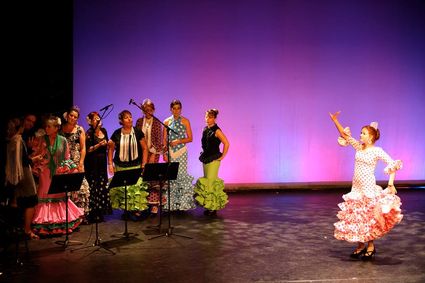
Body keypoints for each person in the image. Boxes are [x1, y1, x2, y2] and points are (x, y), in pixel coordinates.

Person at [329, 111, 403, 260]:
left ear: (370, 137)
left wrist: (390, 183)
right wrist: (335, 120)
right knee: (357, 216)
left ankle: (370, 245)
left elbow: (393, 164)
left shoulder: (377, 151)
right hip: (356, 186)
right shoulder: (359, 147)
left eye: (363, 133)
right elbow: (345, 135)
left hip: (368, 187)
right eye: (361, 133)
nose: (360, 135)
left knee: (368, 216)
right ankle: (360, 245)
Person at [31, 115, 83, 236]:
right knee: (45, 195)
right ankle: (44, 224)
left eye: (49, 126)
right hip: (45, 173)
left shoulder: (63, 140)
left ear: (56, 128)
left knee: (59, 195)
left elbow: (67, 157)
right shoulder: (41, 140)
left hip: (58, 173)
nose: (46, 128)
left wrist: (66, 168)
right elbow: (35, 156)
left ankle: (61, 223)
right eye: (46, 126)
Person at [108, 110, 149, 220]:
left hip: (135, 165)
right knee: (123, 190)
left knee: (135, 190)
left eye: (130, 117)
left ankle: (136, 211)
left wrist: (144, 164)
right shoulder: (117, 133)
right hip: (120, 166)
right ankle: (127, 211)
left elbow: (145, 149)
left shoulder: (137, 131)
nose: (130, 119)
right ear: (121, 121)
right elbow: (111, 149)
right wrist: (110, 164)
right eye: (126, 117)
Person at [5, 118, 39, 239]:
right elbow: (23, 161)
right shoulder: (18, 139)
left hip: (13, 174)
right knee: (31, 200)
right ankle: (27, 230)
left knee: (16, 201)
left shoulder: (11, 140)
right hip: (23, 173)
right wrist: (35, 159)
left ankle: (13, 228)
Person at [194, 109, 230, 216]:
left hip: (214, 158)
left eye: (210, 117)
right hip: (206, 158)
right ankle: (209, 206)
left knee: (211, 182)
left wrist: (222, 157)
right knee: (207, 182)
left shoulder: (217, 130)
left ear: (214, 118)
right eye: (206, 117)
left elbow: (226, 143)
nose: (207, 119)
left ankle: (213, 208)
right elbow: (205, 144)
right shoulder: (205, 129)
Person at [162, 99, 196, 211]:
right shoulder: (166, 122)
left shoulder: (185, 121)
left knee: (181, 176)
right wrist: (165, 153)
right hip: (171, 152)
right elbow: (164, 140)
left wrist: (178, 141)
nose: (176, 111)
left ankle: (182, 204)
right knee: (171, 178)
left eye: (178, 108)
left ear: (181, 109)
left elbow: (190, 138)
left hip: (181, 152)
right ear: (171, 109)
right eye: (174, 108)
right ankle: (172, 204)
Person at [60, 106, 91, 221]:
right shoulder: (60, 129)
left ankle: (80, 215)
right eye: (71, 115)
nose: (73, 118)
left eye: (75, 117)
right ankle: (67, 216)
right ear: (67, 116)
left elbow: (83, 148)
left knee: (80, 187)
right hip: (63, 161)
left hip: (76, 160)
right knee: (65, 188)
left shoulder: (79, 129)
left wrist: (81, 163)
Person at [135, 99, 164, 215]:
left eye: (150, 110)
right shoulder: (139, 121)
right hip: (141, 154)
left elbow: (158, 140)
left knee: (153, 179)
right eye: (145, 110)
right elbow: (136, 138)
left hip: (153, 154)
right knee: (141, 179)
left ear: (153, 110)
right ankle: (141, 204)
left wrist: (153, 154)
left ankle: (154, 205)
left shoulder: (157, 123)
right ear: (142, 110)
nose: (148, 112)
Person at [84, 111, 112, 223]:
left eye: (98, 117)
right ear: (90, 122)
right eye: (95, 118)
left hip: (102, 161)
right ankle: (93, 212)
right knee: (94, 186)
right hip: (92, 162)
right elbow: (88, 149)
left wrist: (109, 144)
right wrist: (100, 144)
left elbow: (107, 145)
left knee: (102, 185)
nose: (98, 119)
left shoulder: (104, 131)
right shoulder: (89, 133)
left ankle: (101, 211)